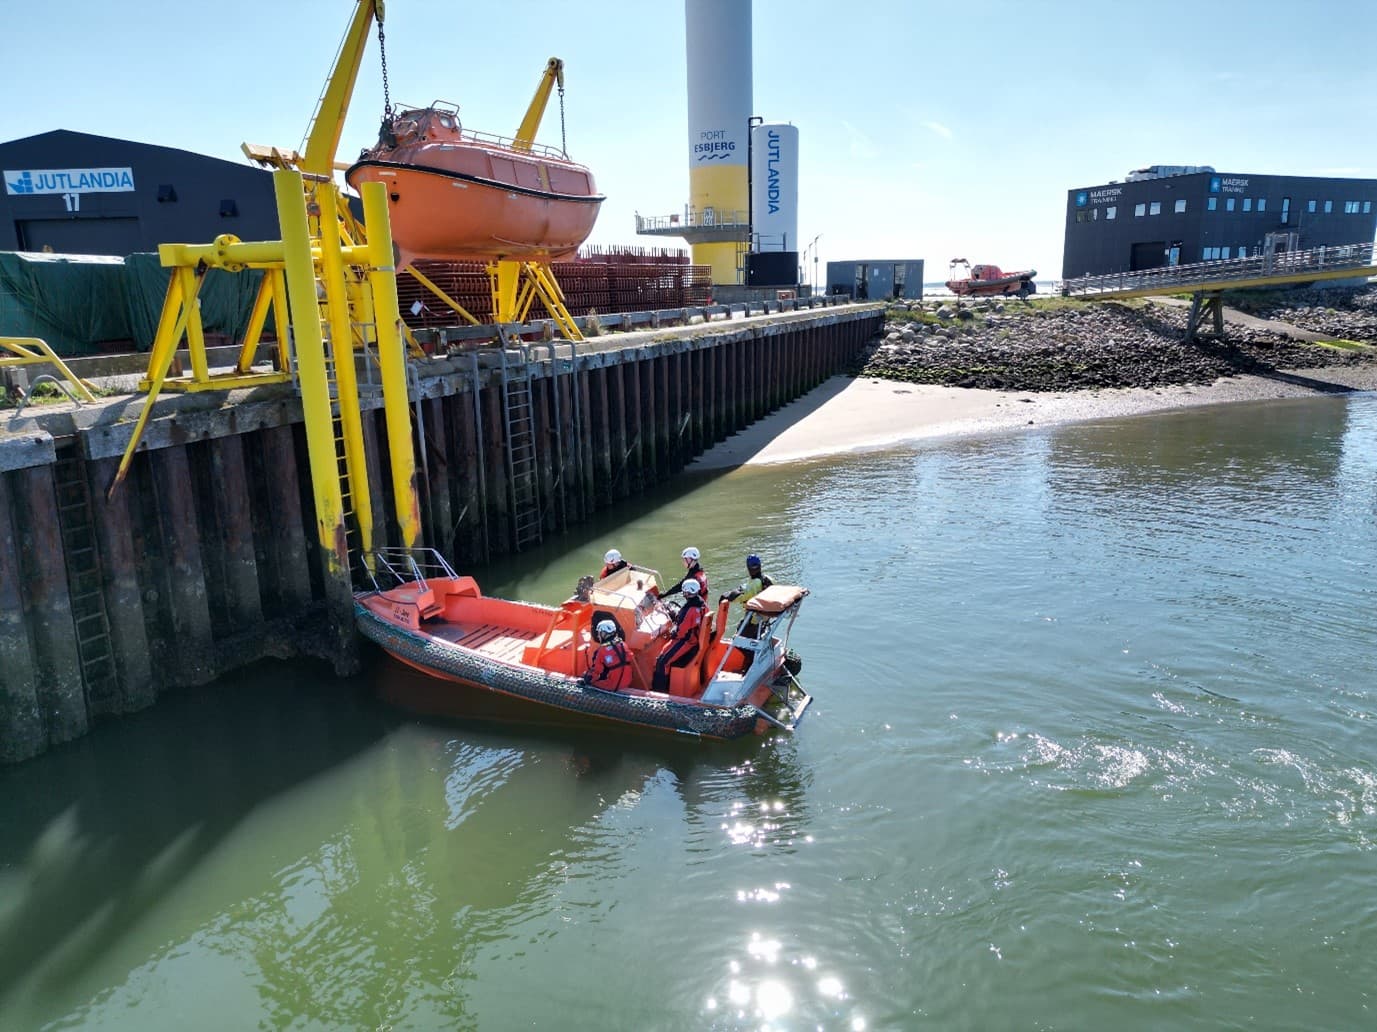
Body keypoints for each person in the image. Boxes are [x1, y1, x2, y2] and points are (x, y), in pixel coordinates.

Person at [652, 578, 706, 693]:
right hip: (694, 639)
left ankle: (659, 691)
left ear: (686, 592)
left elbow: (681, 632)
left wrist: (671, 633)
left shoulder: (689, 610)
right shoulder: (702, 604)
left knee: (661, 661)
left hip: (686, 641)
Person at [721, 554, 774, 638]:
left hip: (753, 620)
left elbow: (740, 595)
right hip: (766, 618)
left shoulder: (753, 585)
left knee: (738, 638)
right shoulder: (769, 579)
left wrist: (725, 596)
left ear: (748, 568)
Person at [581, 618, 632, 691]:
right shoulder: (623, 645)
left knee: (590, 681)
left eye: (599, 633)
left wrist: (586, 679)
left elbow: (596, 671)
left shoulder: (602, 650)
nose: (598, 636)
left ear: (604, 633)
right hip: (627, 682)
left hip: (612, 685)